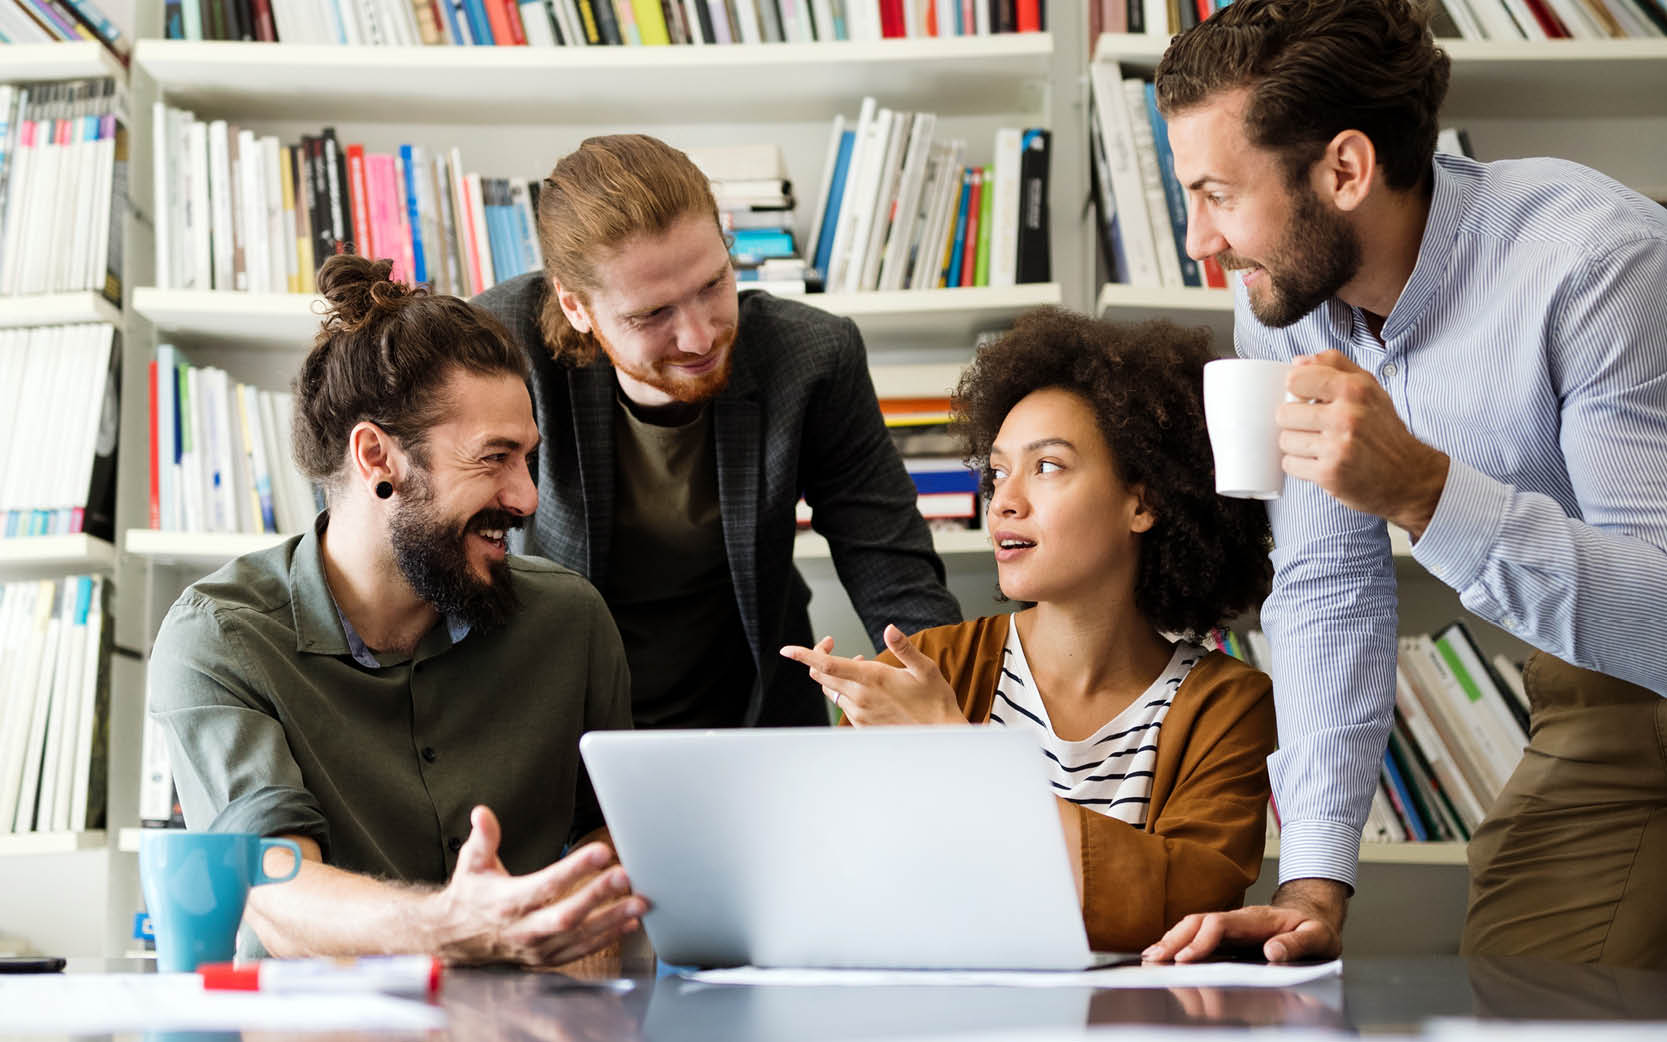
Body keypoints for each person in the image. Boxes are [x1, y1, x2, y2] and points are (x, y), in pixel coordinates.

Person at [1145, 0, 1667, 967]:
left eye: (1218, 195)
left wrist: (1426, 495)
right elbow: (1328, 584)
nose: (1197, 241)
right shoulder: (1288, 303)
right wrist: (1310, 882)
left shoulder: (1594, 263)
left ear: (1344, 170)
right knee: (1522, 980)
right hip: (1600, 692)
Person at [148, 255, 645, 965]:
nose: (527, 498)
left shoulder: (572, 622)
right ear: (377, 457)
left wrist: (578, 932)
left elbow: (612, 833)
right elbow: (275, 891)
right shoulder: (221, 638)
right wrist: (453, 927)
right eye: (494, 457)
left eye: (527, 458)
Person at [782, 309, 1277, 952]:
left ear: (1143, 502)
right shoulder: (925, 669)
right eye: (997, 472)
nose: (1004, 502)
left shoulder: (1228, 705)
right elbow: (835, 888)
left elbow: (1190, 908)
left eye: (1047, 466)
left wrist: (953, 752)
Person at [471, 134, 961, 732]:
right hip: (559, 712)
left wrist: (951, 710)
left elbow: (889, 559)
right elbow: (450, 542)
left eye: (713, 285)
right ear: (576, 307)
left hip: (755, 713)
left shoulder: (812, 357)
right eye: (653, 313)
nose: (700, 337)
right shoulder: (498, 346)